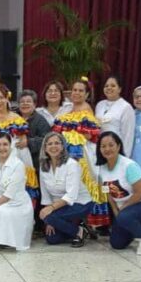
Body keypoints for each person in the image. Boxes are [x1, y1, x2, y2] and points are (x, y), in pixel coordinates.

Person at [97, 132, 141, 255]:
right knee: (117, 244)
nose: (107, 149)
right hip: (125, 209)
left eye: (111, 145)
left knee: (124, 217)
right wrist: (116, 211)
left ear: (118, 146)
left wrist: (123, 209)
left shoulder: (129, 165)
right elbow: (108, 193)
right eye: (103, 146)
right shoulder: (102, 169)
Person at [52, 78, 105, 228]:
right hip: (67, 150)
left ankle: (85, 222)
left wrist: (69, 134)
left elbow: (90, 135)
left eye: (81, 90)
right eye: (75, 90)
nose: (77, 93)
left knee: (83, 183)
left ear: (87, 94)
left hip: (82, 152)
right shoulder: (68, 109)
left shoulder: (86, 109)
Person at [0, 85, 39, 205]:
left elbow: (22, 142)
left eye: (1, 97)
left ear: (7, 98)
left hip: (16, 157)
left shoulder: (16, 118)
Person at [0, 133, 34, 250]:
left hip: (16, 202)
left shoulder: (18, 165)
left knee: (0, 213)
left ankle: (7, 241)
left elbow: (9, 194)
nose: (1, 148)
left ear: (10, 146)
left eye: (5, 144)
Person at [38, 132, 92, 247]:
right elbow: (46, 195)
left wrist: (50, 213)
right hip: (60, 207)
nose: (53, 146)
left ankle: (79, 232)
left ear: (63, 146)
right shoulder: (43, 166)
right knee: (52, 239)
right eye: (50, 144)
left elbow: (71, 196)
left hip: (80, 203)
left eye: (57, 143)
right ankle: (79, 227)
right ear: (45, 148)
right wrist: (49, 221)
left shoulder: (71, 164)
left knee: (48, 216)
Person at [95, 76, 135, 156]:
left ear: (119, 89)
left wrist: (124, 156)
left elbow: (128, 135)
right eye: (106, 86)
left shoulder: (126, 107)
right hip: (101, 149)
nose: (109, 88)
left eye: (113, 86)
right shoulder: (100, 105)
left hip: (116, 150)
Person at [17, 90, 52, 169]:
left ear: (35, 104)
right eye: (22, 102)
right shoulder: (14, 118)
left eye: (28, 101)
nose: (25, 104)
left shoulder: (40, 120)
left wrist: (28, 142)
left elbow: (47, 140)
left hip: (35, 162)